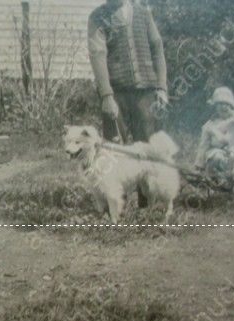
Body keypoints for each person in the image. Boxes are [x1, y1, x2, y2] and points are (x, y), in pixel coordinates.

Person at [88, 0, 169, 205]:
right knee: (114, 149)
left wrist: (161, 87)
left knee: (147, 148)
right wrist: (107, 96)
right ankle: (116, 206)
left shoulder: (143, 13)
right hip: (116, 94)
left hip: (146, 94)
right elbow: (98, 55)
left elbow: (157, 48)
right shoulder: (98, 17)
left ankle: (147, 205)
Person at [193, 87, 234, 185]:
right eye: (220, 104)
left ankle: (233, 182)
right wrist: (198, 166)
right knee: (216, 157)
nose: (224, 107)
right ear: (215, 107)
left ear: (231, 106)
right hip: (217, 154)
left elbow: (228, 140)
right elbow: (203, 147)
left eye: (227, 104)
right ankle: (214, 181)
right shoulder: (210, 125)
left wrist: (215, 132)